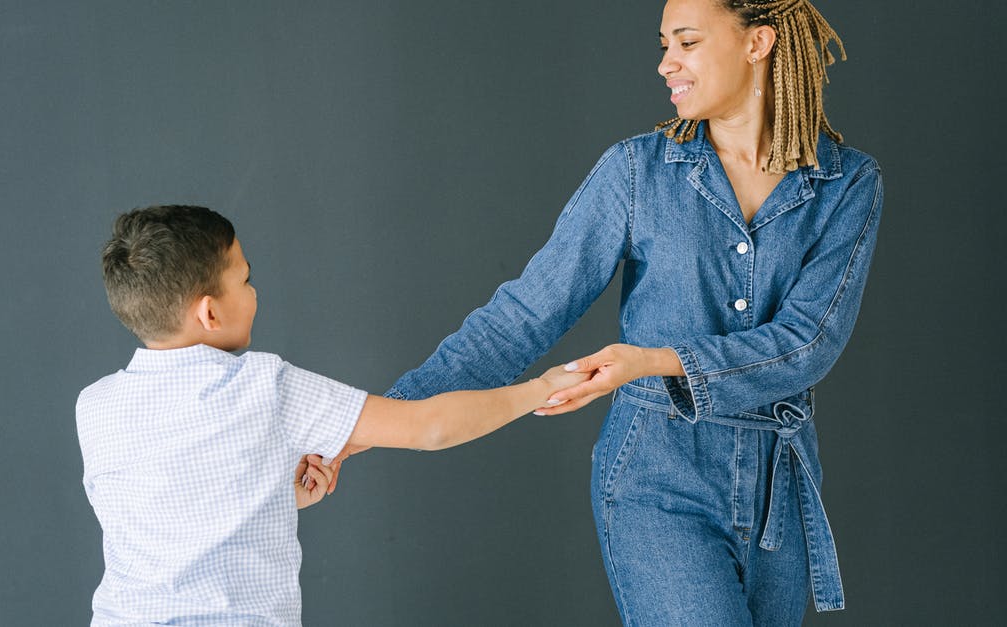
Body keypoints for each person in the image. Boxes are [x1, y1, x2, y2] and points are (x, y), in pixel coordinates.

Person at [381, 0, 882, 623]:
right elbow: (523, 317)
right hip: (656, 480)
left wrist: (654, 360)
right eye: (664, 43)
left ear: (759, 43)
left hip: (778, 495)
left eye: (687, 42)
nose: (665, 63)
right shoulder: (637, 171)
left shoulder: (847, 183)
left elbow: (809, 343)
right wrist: (373, 420)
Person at [75, 205, 586, 625]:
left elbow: (164, 512)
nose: (254, 293)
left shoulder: (94, 406)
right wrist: (537, 390)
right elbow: (428, 426)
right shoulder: (262, 384)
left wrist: (272, 495)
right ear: (210, 313)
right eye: (245, 280)